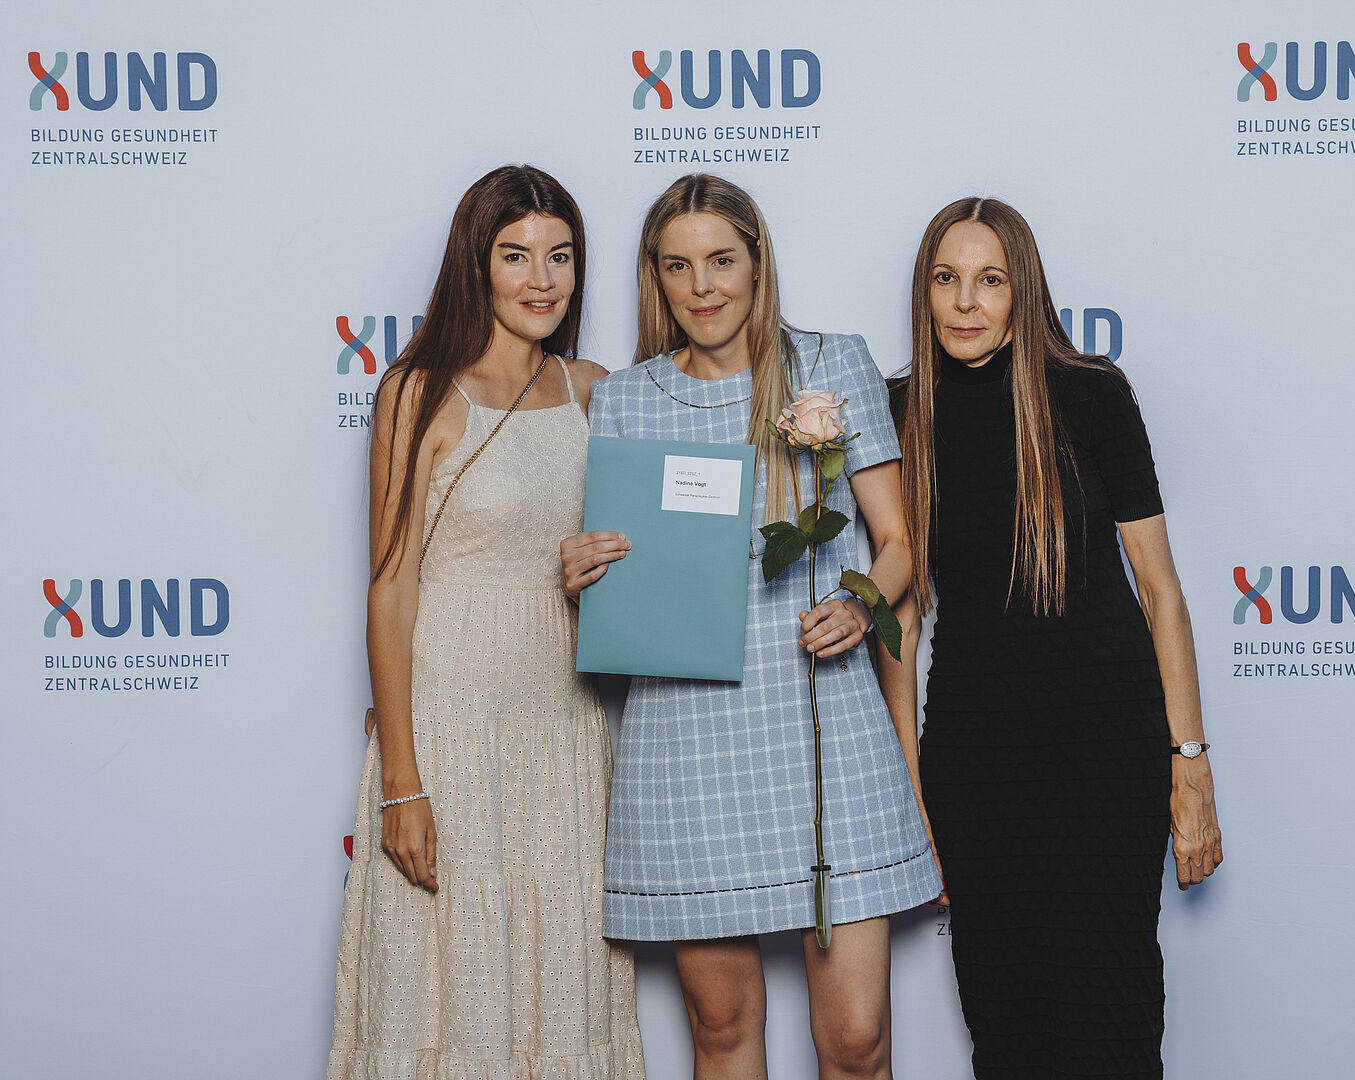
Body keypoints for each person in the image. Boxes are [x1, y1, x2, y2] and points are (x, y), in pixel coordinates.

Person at [560, 173, 940, 1080]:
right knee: (722, 1030)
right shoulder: (626, 399)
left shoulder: (831, 364)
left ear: (757, 263)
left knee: (856, 1042)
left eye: (721, 260)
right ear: (654, 277)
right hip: (684, 746)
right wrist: (584, 577)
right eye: (677, 266)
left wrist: (859, 603)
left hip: (824, 732)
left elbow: (898, 544)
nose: (702, 287)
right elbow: (630, 585)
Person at [882, 198, 1223, 1079]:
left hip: (1106, 752)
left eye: (989, 280)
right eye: (945, 279)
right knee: (1006, 1026)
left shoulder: (1089, 394)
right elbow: (900, 620)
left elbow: (1160, 591)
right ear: (923, 292)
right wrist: (909, 792)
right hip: (974, 764)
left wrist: (1189, 765)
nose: (965, 302)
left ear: (1022, 291)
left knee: (1110, 1022)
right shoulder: (897, 412)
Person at [330, 165, 644, 1080]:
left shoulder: (595, 391)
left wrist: (597, 575)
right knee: (442, 983)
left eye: (560, 256)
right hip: (449, 732)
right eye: (515, 256)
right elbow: (390, 589)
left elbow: (638, 567)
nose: (542, 280)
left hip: (563, 731)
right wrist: (401, 783)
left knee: (561, 990)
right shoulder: (418, 391)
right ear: (477, 264)